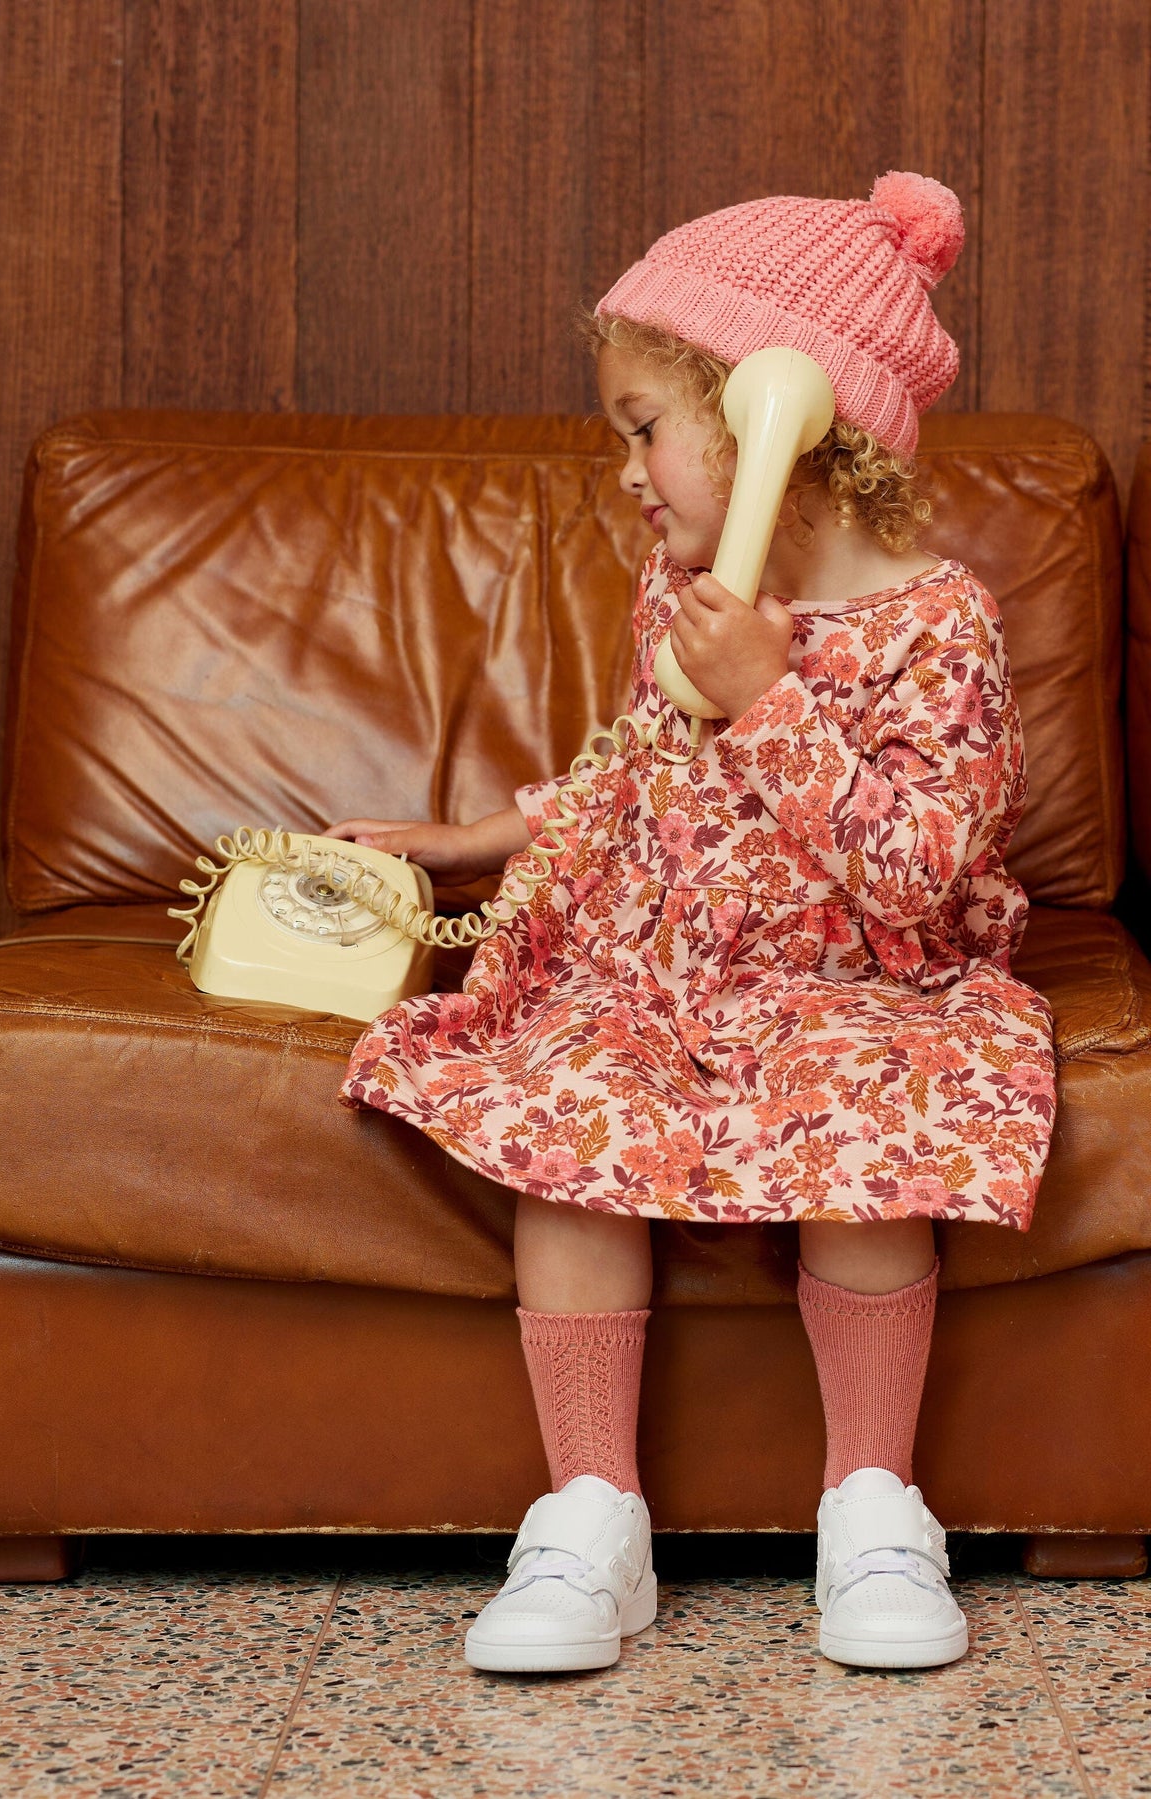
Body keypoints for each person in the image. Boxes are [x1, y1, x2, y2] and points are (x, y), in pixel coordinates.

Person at [329, 172, 1056, 1676]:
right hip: (663, 979)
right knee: (570, 1129)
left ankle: (872, 1501)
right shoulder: (677, 598)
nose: (629, 471)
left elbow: (921, 871)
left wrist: (768, 705)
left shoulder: (941, 627)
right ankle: (590, 1513)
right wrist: (474, 841)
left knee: (876, 1138)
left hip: (861, 987)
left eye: (646, 424)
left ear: (787, 421)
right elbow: (631, 773)